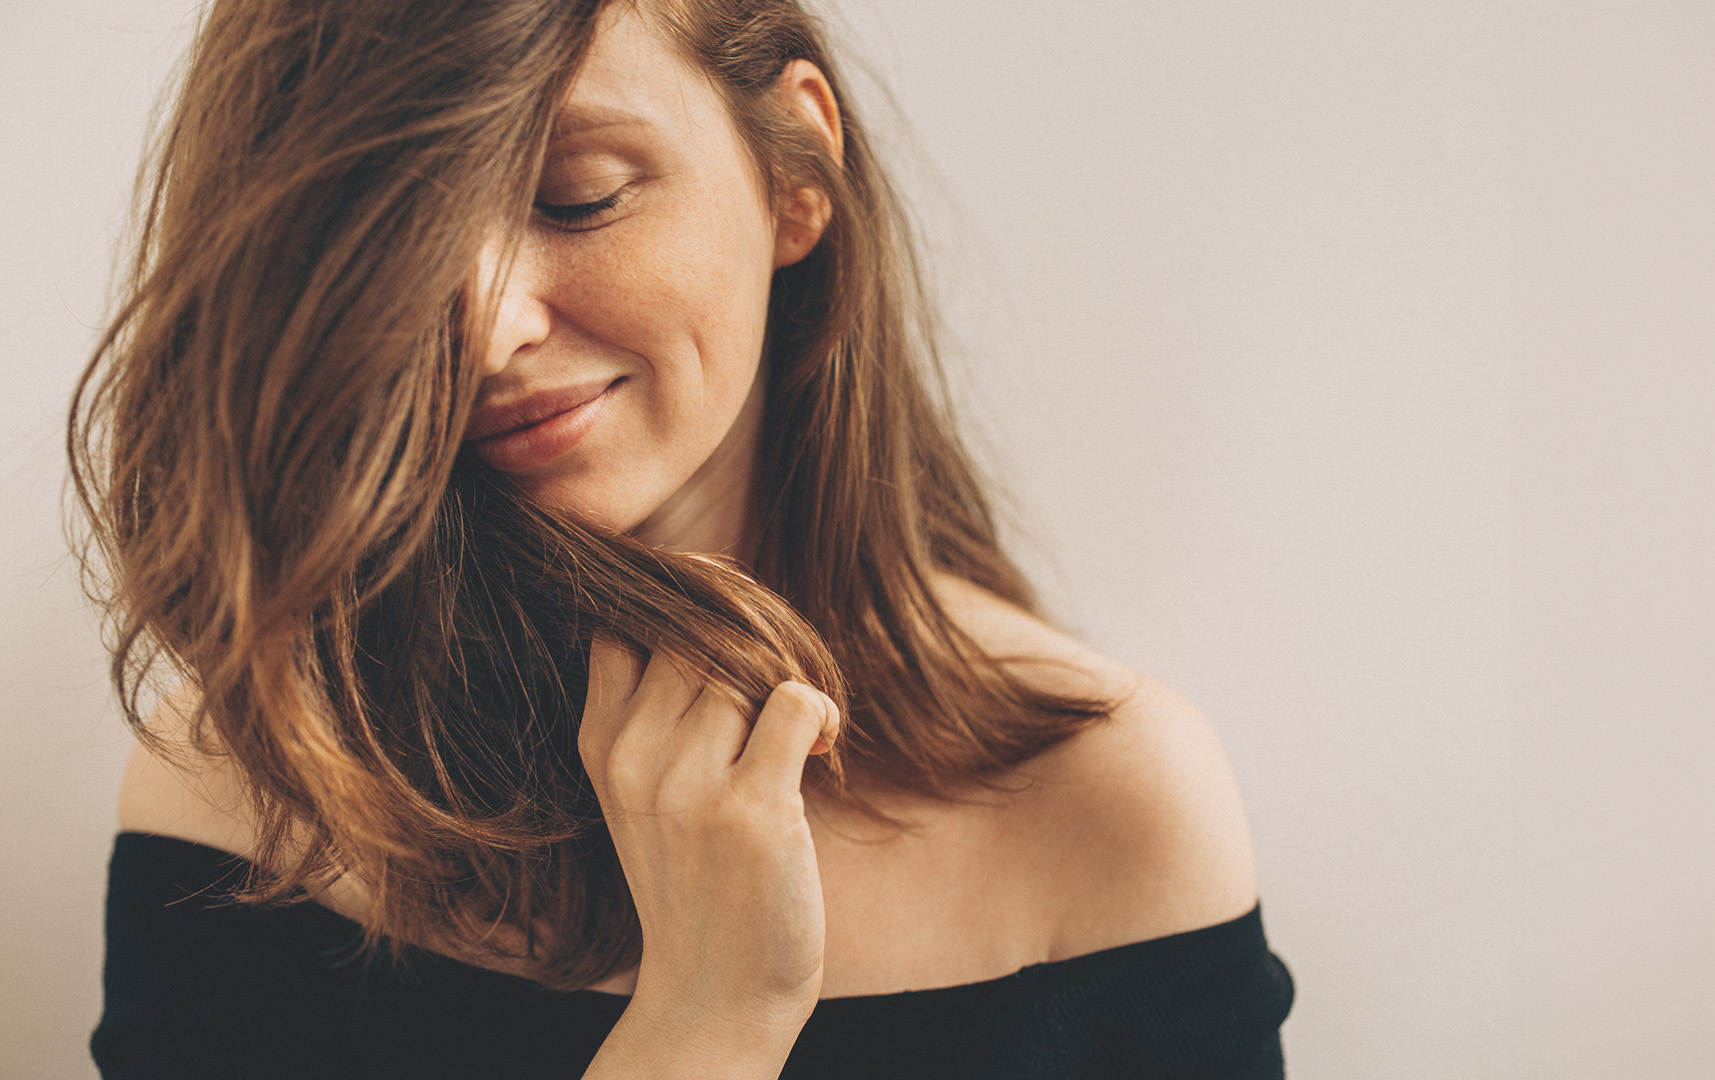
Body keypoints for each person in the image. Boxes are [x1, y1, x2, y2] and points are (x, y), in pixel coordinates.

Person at [69, 0, 1293, 1075]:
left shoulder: (1107, 799)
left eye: (577, 196)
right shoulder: (257, 788)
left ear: (798, 171)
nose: (488, 324)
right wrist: (707, 1027)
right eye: (402, 235)